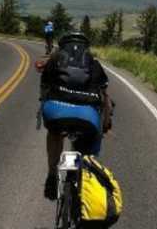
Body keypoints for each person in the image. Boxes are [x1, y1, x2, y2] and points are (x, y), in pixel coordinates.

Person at [39, 32, 113, 200]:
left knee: (55, 133)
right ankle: (79, 185)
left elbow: (44, 90)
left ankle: (52, 175)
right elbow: (105, 99)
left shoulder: (54, 61)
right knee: (87, 142)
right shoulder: (94, 65)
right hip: (87, 117)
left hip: (55, 112)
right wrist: (107, 123)